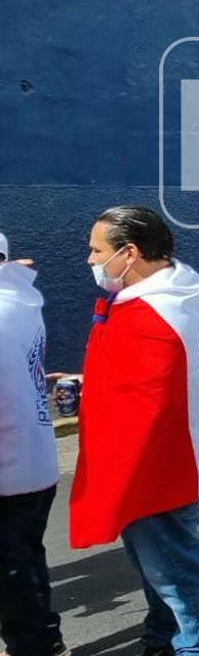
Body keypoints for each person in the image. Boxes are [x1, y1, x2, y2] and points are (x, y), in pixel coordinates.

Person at [71, 206, 199, 655]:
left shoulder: (148, 317)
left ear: (129, 252)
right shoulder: (186, 286)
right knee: (161, 560)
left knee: (175, 566)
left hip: (159, 467)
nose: (89, 260)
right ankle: (164, 635)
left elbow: (144, 404)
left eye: (96, 250)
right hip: (195, 447)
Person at [0, 237, 69, 656]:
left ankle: (33, 645)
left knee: (11, 568)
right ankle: (44, 635)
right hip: (31, 458)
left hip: (10, 465)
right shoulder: (19, 299)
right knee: (25, 556)